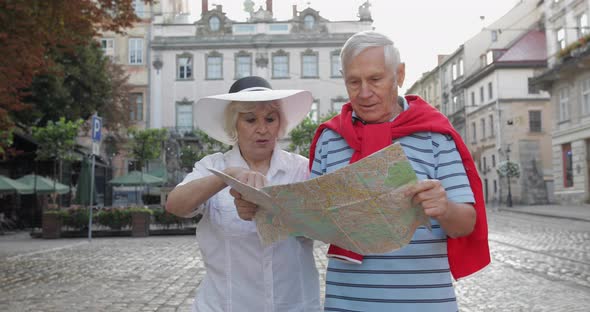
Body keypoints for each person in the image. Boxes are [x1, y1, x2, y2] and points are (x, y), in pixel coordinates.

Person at [309, 31, 490, 311]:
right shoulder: (329, 138)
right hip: (347, 303)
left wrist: (443, 207)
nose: (365, 92)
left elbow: (466, 224)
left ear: (400, 74)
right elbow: (311, 222)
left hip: (425, 303)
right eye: (354, 82)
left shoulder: (435, 136)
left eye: (375, 79)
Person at [166, 76, 321, 312]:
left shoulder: (302, 169)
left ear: (280, 123)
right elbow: (175, 204)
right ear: (233, 125)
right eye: (250, 120)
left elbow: (327, 223)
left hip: (294, 305)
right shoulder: (212, 165)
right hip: (225, 305)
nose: (262, 128)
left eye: (270, 119)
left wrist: (279, 211)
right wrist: (226, 176)